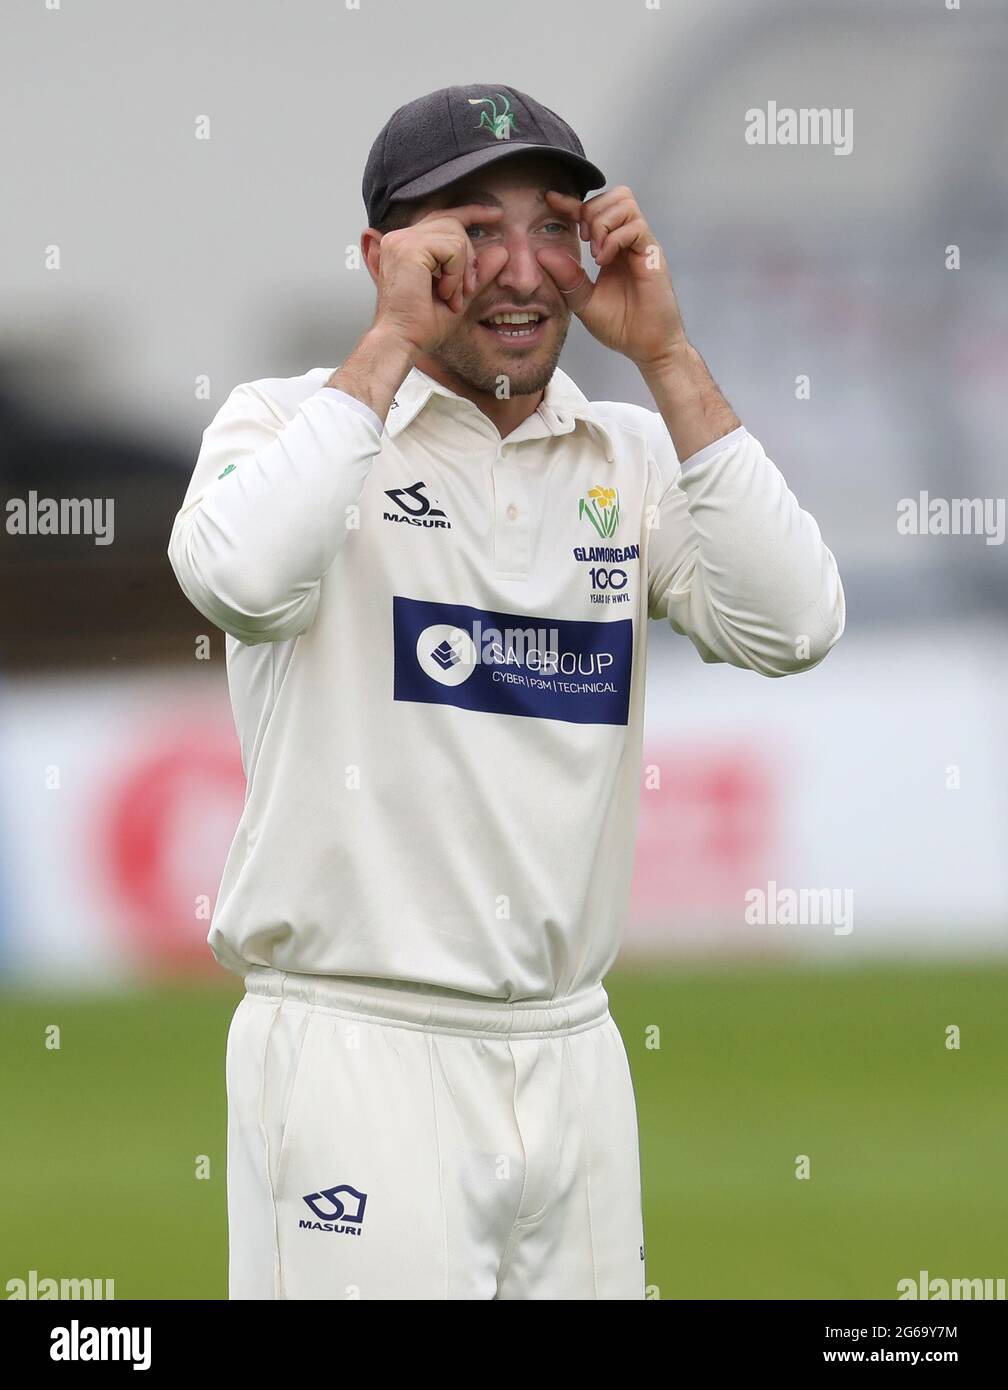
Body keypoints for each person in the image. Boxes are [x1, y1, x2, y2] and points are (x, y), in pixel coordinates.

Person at [168, 83, 845, 1300]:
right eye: (473, 232)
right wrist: (382, 347)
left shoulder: (627, 455)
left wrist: (670, 358)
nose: (522, 270)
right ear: (386, 254)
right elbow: (240, 582)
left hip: (575, 1052)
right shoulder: (285, 425)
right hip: (356, 1046)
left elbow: (794, 624)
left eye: (551, 225)